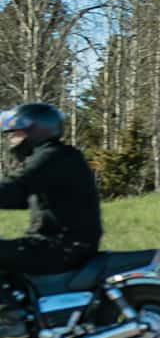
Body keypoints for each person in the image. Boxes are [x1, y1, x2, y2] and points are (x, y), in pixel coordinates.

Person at [0, 102, 103, 278]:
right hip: (63, 243)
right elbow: (20, 198)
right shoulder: (57, 156)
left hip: (62, 245)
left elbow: (17, 187)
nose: (11, 139)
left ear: (36, 131)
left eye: (17, 133)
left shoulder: (53, 157)